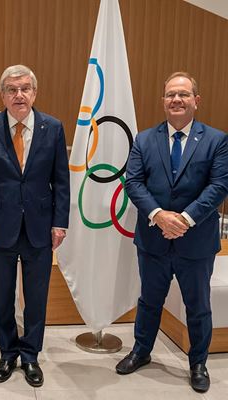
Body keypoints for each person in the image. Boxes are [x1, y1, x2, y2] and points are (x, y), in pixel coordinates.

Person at [116, 72, 228, 393]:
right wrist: (159, 216)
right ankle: (141, 351)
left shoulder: (217, 140)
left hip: (196, 242)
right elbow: (133, 183)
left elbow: (219, 185)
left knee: (198, 305)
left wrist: (185, 219)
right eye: (170, 95)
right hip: (153, 239)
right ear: (163, 101)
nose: (176, 100)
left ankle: (198, 363)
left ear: (196, 100)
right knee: (149, 301)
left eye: (183, 94)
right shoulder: (144, 139)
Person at [0, 64, 70, 387]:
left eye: (25, 88)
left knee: (37, 296)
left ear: (35, 92)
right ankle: (8, 352)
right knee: (1, 294)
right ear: (2, 95)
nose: (19, 95)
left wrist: (60, 223)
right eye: (12, 90)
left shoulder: (52, 128)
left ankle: (30, 355)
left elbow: (61, 181)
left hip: (40, 227)